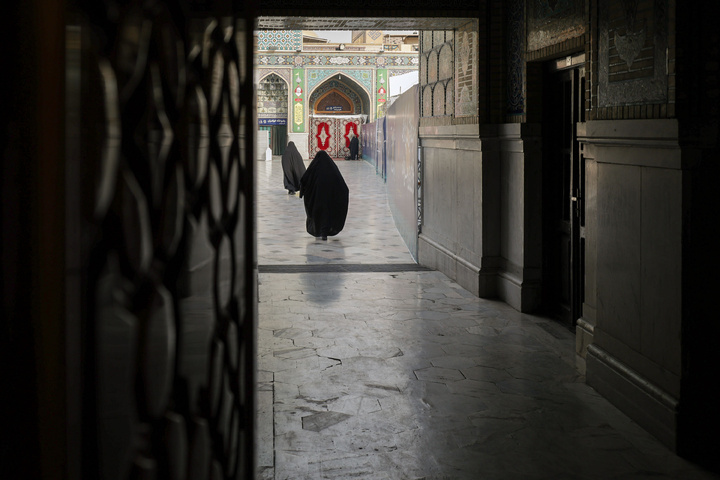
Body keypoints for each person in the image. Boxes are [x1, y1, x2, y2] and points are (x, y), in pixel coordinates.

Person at [299, 150, 349, 240]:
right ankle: (324, 233)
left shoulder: (314, 167)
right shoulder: (332, 168)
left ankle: (318, 231)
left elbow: (305, 179)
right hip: (329, 200)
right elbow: (342, 185)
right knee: (327, 215)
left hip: (317, 200)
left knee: (318, 215)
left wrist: (302, 192)